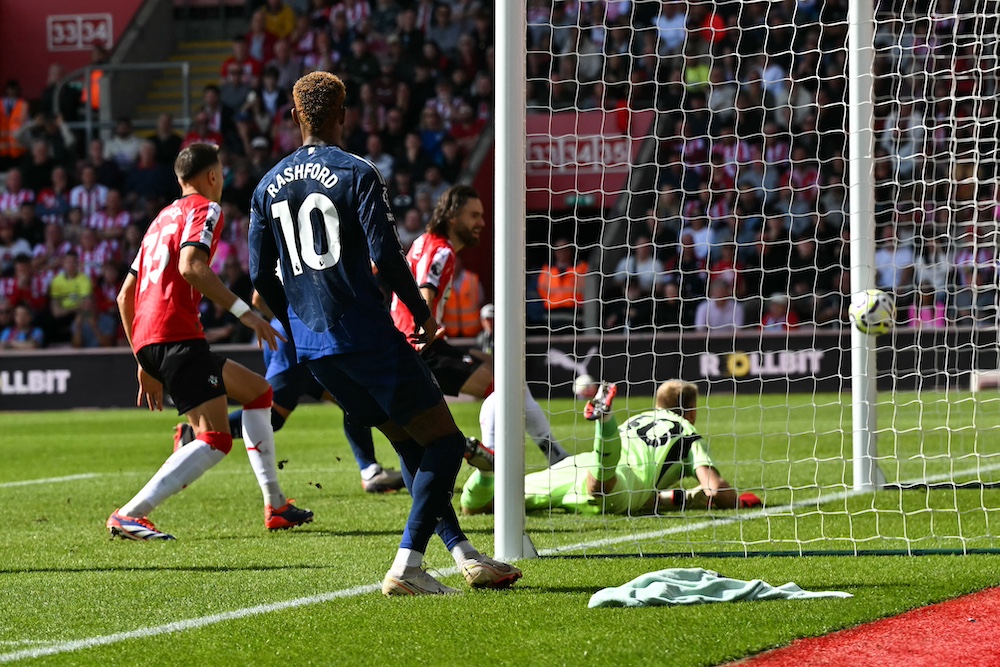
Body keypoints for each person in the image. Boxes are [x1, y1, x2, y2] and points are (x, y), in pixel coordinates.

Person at [248, 72, 520, 595]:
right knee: (443, 444)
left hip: (316, 352)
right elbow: (385, 256)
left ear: (295, 116)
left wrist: (295, 325)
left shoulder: (265, 185)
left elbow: (261, 277)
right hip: (366, 335)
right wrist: (421, 313)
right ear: (343, 114)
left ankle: (465, 556)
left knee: (412, 446)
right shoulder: (357, 172)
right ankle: (408, 567)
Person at [107, 142, 312, 541]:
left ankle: (276, 505)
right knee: (216, 439)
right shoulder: (206, 208)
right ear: (213, 176)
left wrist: (143, 360)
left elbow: (123, 296)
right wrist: (246, 314)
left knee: (258, 393)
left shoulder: (159, 220)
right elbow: (191, 266)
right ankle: (131, 513)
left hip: (154, 336)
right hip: (176, 332)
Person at [390, 185, 570, 467]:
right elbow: (426, 289)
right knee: (503, 386)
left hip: (411, 342)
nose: (481, 223)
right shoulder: (442, 251)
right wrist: (425, 324)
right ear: (453, 217)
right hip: (421, 345)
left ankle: (553, 456)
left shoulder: (423, 241)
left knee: (510, 380)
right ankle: (495, 459)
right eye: (474, 216)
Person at [174, 290, 408, 495]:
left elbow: (258, 298)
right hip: (298, 340)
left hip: (292, 335)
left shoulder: (282, 251)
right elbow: (259, 297)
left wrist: (282, 319)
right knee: (273, 415)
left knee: (350, 400)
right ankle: (196, 435)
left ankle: (370, 469)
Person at [461, 380, 763, 516]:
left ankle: (487, 473)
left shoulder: (640, 418)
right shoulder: (687, 431)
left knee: (481, 507)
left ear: (658, 405)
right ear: (692, 411)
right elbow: (715, 490)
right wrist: (735, 500)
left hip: (575, 467)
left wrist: (679, 499)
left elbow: (655, 499)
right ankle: (603, 424)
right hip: (623, 481)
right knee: (602, 487)